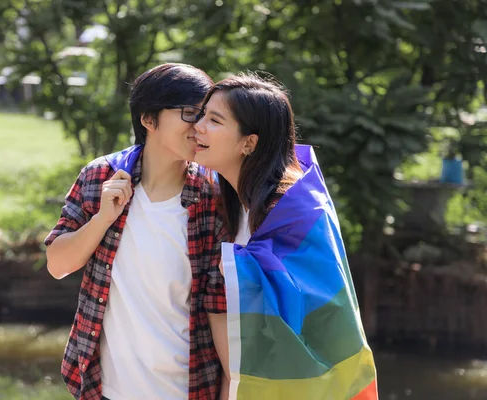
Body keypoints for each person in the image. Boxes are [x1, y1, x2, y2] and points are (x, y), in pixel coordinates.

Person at [44, 63, 229, 400]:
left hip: (187, 389)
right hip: (106, 390)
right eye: (190, 113)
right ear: (148, 119)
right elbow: (57, 264)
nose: (200, 127)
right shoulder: (101, 177)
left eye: (207, 116)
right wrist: (102, 219)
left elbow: (222, 309)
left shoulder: (214, 196)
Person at [193, 73, 378, 399]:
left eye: (214, 120)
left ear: (249, 142)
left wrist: (238, 267)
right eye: (201, 115)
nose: (198, 126)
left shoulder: (295, 204)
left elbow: (320, 297)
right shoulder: (236, 202)